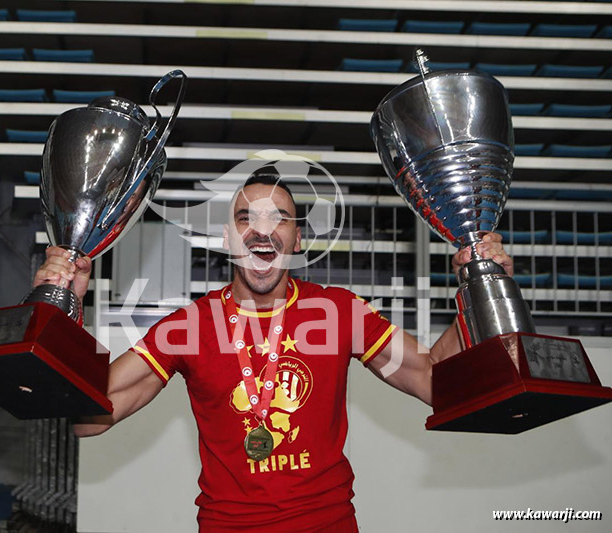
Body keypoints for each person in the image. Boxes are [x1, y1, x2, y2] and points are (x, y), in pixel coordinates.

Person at [34, 172, 514, 532]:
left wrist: (479, 288)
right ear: (227, 239)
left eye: (279, 218)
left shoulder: (339, 314)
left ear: (297, 239)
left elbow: (435, 382)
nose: (262, 230)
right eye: (246, 217)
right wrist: (64, 310)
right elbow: (89, 418)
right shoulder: (189, 327)